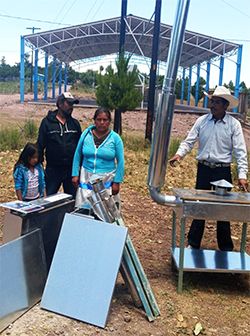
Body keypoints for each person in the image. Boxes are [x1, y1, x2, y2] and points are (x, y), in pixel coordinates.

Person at [169, 86, 248, 251]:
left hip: (222, 171)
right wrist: (179, 155)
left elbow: (240, 151)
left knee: (223, 210)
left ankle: (226, 247)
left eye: (217, 102)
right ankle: (193, 244)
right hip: (204, 169)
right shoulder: (202, 121)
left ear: (225, 105)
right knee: (200, 206)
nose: (212, 105)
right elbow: (189, 141)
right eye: (212, 101)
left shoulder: (233, 125)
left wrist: (242, 175)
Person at [72, 107, 124, 208]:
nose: (102, 122)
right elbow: (77, 154)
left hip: (106, 178)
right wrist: (74, 174)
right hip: (86, 176)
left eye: (105, 120)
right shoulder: (86, 135)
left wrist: (117, 182)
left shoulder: (115, 138)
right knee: (84, 208)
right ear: (94, 121)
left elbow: (121, 161)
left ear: (109, 122)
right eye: (99, 119)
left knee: (106, 211)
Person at [37, 92, 81, 197]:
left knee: (72, 200)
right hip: (53, 169)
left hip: (71, 170)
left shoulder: (75, 124)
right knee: (47, 199)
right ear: (60, 104)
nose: (71, 107)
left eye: (73, 104)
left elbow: (80, 147)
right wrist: (39, 167)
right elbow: (40, 145)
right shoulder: (47, 122)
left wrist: (79, 168)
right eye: (69, 103)